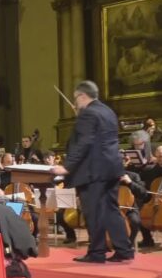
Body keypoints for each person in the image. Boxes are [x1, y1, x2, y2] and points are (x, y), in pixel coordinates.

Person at [52, 80, 133, 263]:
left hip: (93, 172)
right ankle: (124, 250)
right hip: (111, 169)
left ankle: (96, 252)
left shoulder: (87, 114)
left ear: (82, 95)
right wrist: (81, 115)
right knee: (111, 210)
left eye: (76, 98)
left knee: (94, 212)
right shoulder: (108, 111)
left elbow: (84, 143)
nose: (75, 102)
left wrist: (67, 166)